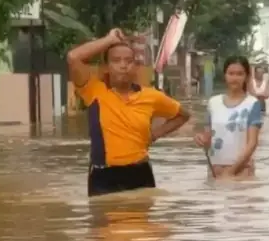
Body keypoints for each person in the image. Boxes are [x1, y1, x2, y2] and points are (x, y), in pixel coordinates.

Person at [67, 28, 191, 197]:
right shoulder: (93, 91)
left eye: (129, 61)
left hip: (140, 173)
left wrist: (154, 134)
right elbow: (74, 57)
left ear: (136, 67)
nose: (123, 65)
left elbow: (183, 115)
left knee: (142, 223)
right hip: (103, 176)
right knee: (104, 221)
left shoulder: (151, 96)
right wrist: (109, 39)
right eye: (116, 60)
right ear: (106, 67)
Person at [194, 56, 263, 178]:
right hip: (215, 170)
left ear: (246, 77)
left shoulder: (252, 104)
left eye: (239, 74)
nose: (234, 78)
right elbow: (208, 137)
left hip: (242, 171)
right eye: (231, 73)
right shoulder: (213, 103)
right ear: (225, 76)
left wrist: (231, 171)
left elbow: (252, 143)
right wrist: (201, 139)